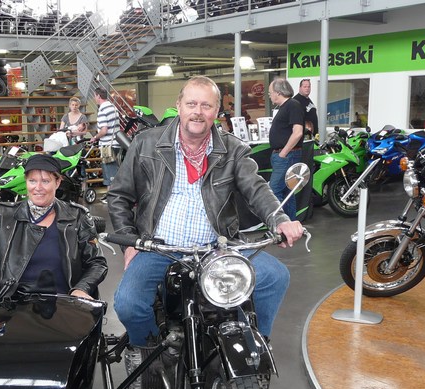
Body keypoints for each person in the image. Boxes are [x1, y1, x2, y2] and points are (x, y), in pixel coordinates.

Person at [107, 75, 304, 357]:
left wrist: (280, 219)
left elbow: (256, 188)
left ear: (216, 111)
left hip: (216, 247)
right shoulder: (145, 144)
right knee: (128, 303)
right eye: (191, 104)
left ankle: (252, 345)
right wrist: (129, 243)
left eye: (206, 105)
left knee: (274, 276)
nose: (198, 112)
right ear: (179, 105)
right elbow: (119, 196)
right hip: (158, 247)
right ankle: (146, 350)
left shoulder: (233, 149)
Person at [0, 153, 107, 299]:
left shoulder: (78, 216)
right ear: (26, 182)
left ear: (57, 182)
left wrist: (81, 289)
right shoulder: (2, 214)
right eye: (32, 181)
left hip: (63, 303)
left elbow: (97, 263)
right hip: (11, 304)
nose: (38, 187)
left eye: (45, 181)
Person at [268, 77, 305, 220]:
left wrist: (283, 153)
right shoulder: (285, 107)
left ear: (278, 92)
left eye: (270, 92)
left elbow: (298, 132)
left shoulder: (293, 105)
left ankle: (280, 224)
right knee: (287, 193)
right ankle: (290, 223)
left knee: (274, 191)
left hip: (286, 155)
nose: (270, 95)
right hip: (284, 155)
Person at [91, 87, 120, 203]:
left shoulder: (102, 110)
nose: (94, 98)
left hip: (107, 145)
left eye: (94, 96)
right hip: (116, 143)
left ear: (98, 96)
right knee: (114, 170)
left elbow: (104, 130)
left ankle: (112, 197)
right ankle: (110, 195)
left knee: (109, 172)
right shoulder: (113, 107)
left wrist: (95, 137)